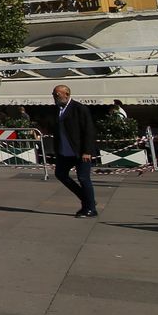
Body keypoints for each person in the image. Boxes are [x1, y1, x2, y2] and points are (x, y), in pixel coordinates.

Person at [46, 85, 98, 217]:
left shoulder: (80, 109)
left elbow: (89, 131)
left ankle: (91, 209)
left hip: (80, 151)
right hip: (65, 152)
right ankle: (87, 199)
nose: (54, 97)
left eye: (57, 95)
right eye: (53, 94)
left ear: (66, 94)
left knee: (83, 178)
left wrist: (87, 151)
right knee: (60, 174)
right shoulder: (56, 110)